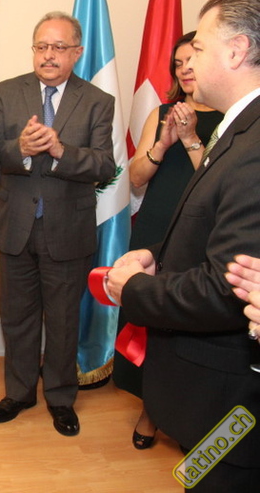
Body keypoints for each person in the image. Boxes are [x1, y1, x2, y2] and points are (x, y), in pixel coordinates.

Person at [108, 0, 260, 491]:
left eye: (198, 47)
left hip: (231, 399)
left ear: (236, 51)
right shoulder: (241, 130)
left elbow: (228, 287)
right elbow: (216, 231)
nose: (187, 62)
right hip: (211, 397)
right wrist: (159, 255)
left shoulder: (254, 145)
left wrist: (134, 289)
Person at [0, 11, 115, 437]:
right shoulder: (4, 93)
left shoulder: (97, 101)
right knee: (17, 317)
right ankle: (19, 393)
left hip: (67, 229)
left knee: (61, 320)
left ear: (77, 52)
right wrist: (19, 149)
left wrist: (61, 150)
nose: (48, 55)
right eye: (41, 46)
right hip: (15, 225)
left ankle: (60, 397)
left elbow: (105, 165)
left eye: (59, 47)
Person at [114, 31, 223, 450]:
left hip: (203, 229)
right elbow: (137, 177)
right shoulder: (161, 112)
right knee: (152, 322)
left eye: (191, 60)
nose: (185, 69)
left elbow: (213, 181)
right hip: (156, 227)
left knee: (189, 325)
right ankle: (151, 411)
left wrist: (191, 137)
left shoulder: (231, 117)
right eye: (178, 64)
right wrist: (162, 144)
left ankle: (190, 418)